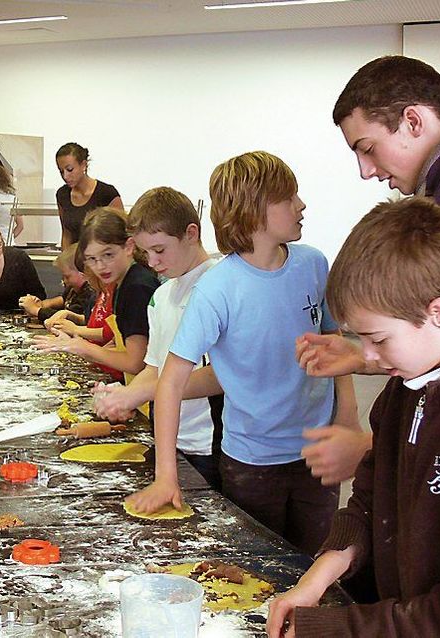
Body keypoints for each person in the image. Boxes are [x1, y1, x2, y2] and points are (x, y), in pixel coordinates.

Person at [267, 198, 440, 637]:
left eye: (379, 339)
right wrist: (319, 576)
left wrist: (329, 629)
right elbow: (369, 501)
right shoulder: (408, 385)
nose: (366, 357)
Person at [136, 152, 358, 555]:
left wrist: (346, 415)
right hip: (252, 461)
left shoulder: (313, 263)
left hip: (317, 450)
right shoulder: (218, 288)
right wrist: (165, 473)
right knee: (258, 572)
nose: (301, 205)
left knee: (316, 563)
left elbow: (334, 341)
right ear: (254, 211)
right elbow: (170, 381)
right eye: (290, 197)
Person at [295, 55, 440, 485]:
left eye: (367, 148)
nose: (366, 171)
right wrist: (367, 356)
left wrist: (369, 446)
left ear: (413, 121)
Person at [93, 187, 223, 489]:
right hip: (168, 438)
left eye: (160, 250)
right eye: (145, 252)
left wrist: (141, 394)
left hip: (209, 443)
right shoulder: (162, 296)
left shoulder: (217, 287)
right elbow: (154, 365)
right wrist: (121, 397)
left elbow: (221, 375)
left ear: (191, 233)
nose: (152, 262)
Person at [34, 208, 159, 378]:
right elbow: (122, 341)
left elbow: (135, 362)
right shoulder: (120, 283)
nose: (100, 267)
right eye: (92, 259)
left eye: (108, 254)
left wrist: (82, 347)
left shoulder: (136, 287)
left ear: (129, 246)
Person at [55, 142, 123, 248]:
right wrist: (65, 260)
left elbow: (121, 235)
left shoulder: (107, 193)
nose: (65, 176)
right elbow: (66, 234)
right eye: (61, 171)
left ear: (83, 165)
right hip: (74, 260)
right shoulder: (62, 195)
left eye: (69, 169)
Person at [20, 244, 95, 324]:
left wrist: (37, 310)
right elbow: (62, 299)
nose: (64, 280)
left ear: (83, 274)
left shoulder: (88, 293)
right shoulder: (73, 289)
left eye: (67, 276)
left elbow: (66, 317)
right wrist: (41, 304)